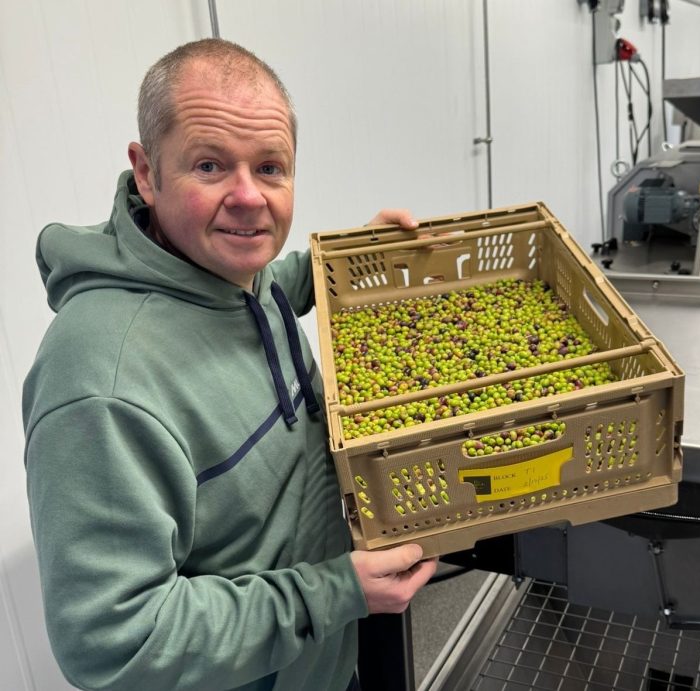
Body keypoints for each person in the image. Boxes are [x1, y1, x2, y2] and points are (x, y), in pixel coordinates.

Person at [22, 38, 436, 691]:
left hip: (324, 653)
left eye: (270, 168)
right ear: (147, 172)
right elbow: (113, 642)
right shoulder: (102, 383)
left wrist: (339, 264)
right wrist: (327, 594)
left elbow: (260, 292)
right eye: (210, 166)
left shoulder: (218, 265)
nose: (249, 198)